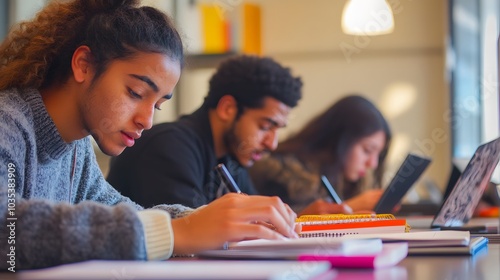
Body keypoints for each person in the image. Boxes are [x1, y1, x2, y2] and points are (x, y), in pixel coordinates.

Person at [0, 0, 299, 271]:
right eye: (136, 93)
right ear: (84, 65)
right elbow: (7, 229)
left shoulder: (76, 149)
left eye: (157, 104)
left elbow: (122, 211)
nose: (147, 120)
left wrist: (213, 221)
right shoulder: (8, 122)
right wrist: (179, 233)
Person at [249, 95, 392, 215]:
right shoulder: (280, 172)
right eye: (367, 150)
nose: (373, 164)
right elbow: (277, 224)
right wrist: (352, 207)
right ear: (340, 140)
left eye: (378, 155)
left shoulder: (348, 181)